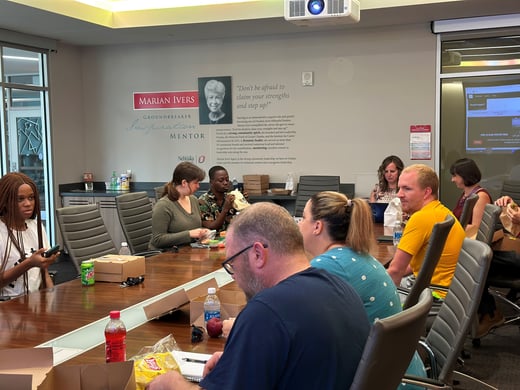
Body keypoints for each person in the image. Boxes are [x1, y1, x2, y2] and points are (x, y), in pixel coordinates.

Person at [147, 202, 370, 389]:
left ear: (257, 254)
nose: (234, 277)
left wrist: (172, 383)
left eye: (232, 264)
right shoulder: (341, 288)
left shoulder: (267, 311)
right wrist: (241, 364)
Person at [298, 191, 426, 388]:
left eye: (303, 218)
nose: (299, 224)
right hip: (401, 373)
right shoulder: (356, 256)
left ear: (317, 226)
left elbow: (293, 323)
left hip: (386, 381)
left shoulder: (329, 266)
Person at [387, 164, 465, 298]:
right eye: (399, 188)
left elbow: (395, 271)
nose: (399, 194)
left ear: (426, 192)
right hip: (449, 293)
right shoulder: (440, 211)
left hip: (433, 296)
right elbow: (416, 264)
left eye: (407, 189)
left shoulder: (421, 218)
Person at [0, 172, 59, 297]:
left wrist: (53, 302)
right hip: (7, 307)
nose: (28, 204)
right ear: (4, 201)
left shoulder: (34, 226)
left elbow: (45, 274)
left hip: (34, 303)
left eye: (31, 198)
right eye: (20, 199)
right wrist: (29, 263)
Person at [149, 162, 209, 250]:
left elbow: (192, 227)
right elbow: (158, 240)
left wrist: (202, 232)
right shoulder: (163, 206)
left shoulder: (193, 200)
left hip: (188, 252)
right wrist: (189, 234)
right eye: (195, 183)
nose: (198, 186)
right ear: (184, 182)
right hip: (167, 256)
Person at [450, 158, 492, 232]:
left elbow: (475, 228)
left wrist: (449, 230)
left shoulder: (480, 197)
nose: (452, 180)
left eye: (455, 176)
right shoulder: (465, 195)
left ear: (465, 175)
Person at [198, 165, 238, 233]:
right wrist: (225, 209)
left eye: (227, 180)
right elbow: (211, 227)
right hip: (213, 241)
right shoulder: (203, 201)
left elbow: (239, 223)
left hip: (231, 238)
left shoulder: (230, 197)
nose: (225, 183)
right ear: (211, 182)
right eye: (221, 180)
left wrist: (243, 204)